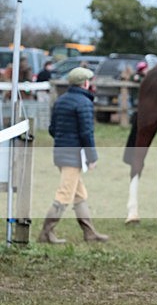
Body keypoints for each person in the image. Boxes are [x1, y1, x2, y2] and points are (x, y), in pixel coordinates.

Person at [38, 67, 108, 244]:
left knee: (79, 195)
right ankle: (46, 233)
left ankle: (89, 232)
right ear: (85, 83)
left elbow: (52, 129)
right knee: (64, 194)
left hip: (60, 153)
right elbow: (86, 133)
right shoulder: (84, 103)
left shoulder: (61, 100)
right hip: (73, 156)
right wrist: (92, 157)